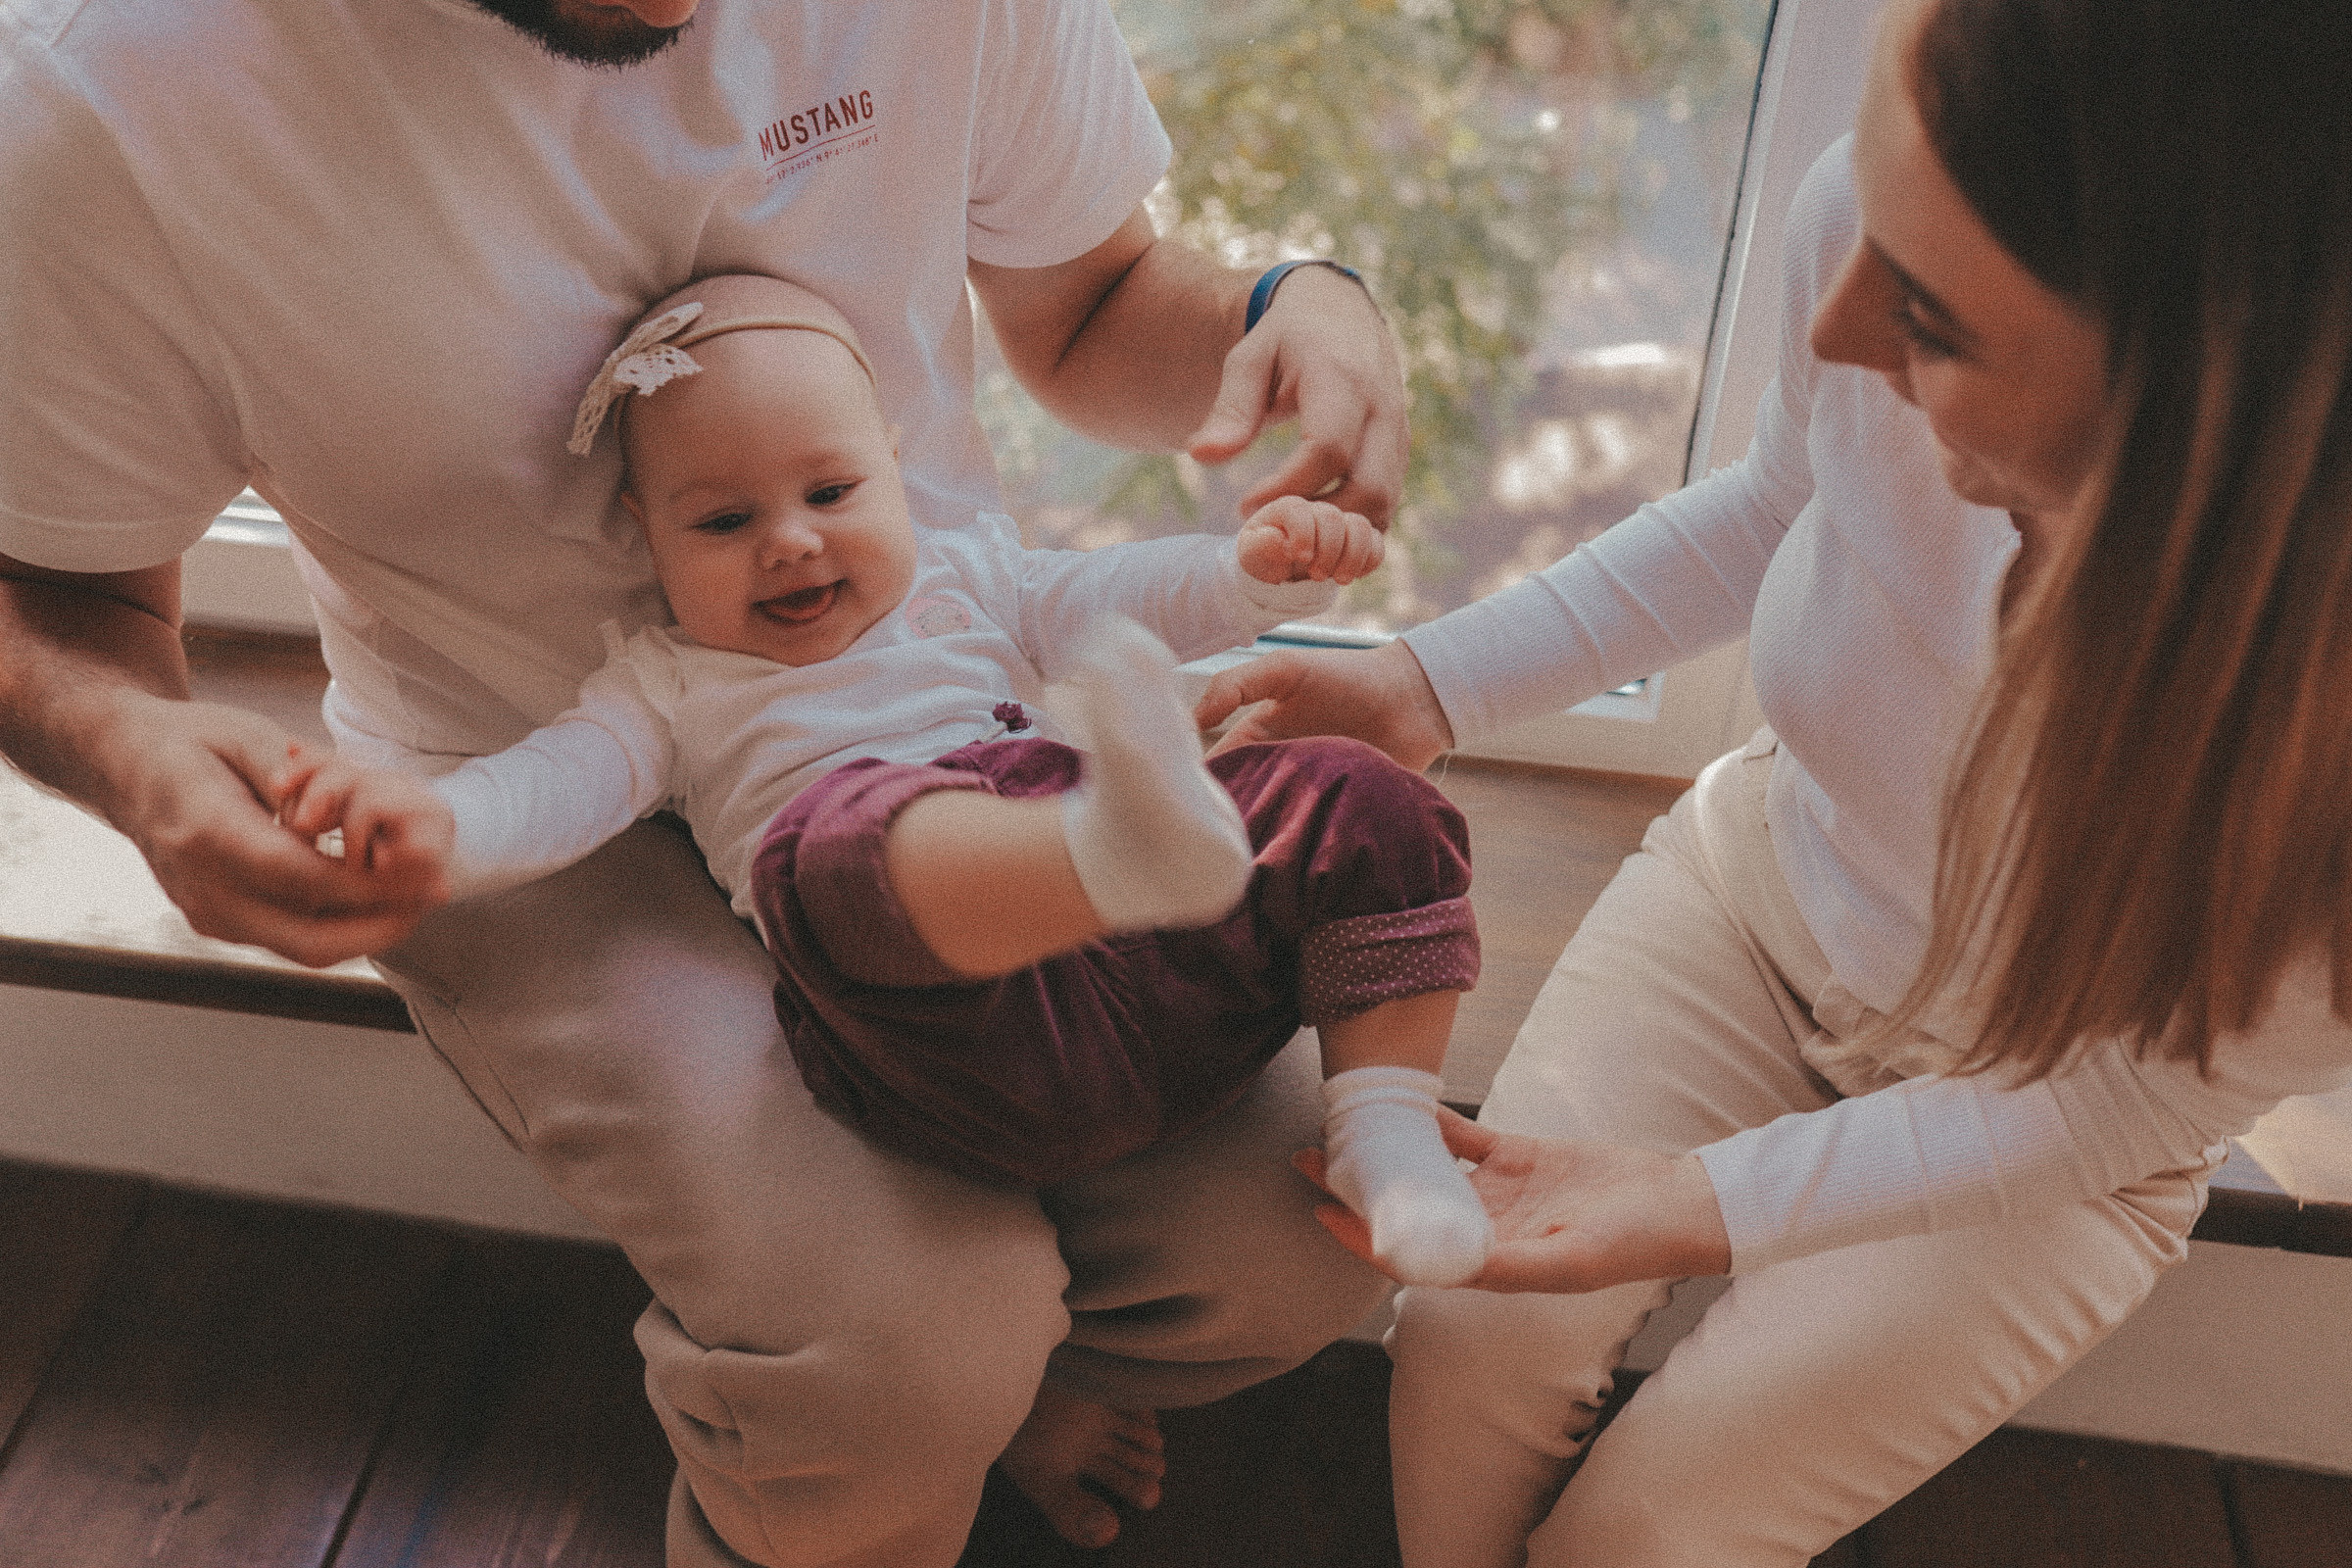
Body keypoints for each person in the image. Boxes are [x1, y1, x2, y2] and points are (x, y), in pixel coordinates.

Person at [0, 1, 1410, 1562]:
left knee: (1293, 1235)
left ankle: (1022, 1390)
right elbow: (56, 593)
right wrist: (137, 754)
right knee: (908, 1351)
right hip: (528, 793)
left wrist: (1294, 309)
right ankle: (910, 1432)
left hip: (933, 712)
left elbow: (1095, 307)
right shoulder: (104, 89)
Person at [1198, 0, 2352, 1560]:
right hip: (1759, 902)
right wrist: (1430, 683)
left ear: (2198, 402)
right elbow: (1767, 511)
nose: (1837, 329)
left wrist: (1698, 1202)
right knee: (1467, 1337)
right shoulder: (1908, 228)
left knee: (1658, 1536)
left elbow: (2118, 1100)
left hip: (2062, 1128)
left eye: (1934, 322)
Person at [279, 272, 1494, 1281]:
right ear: (645, 538)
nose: (791, 540)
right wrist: (434, 823)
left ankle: (1381, 1132)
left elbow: (1132, 602)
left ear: (895, 472)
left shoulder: (971, 580)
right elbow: (551, 786)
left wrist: (1262, 574)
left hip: (1165, 979)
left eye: (830, 492)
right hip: (959, 1035)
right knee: (834, 853)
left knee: (1353, 790)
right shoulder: (668, 684)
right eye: (722, 523)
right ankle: (1105, 850)